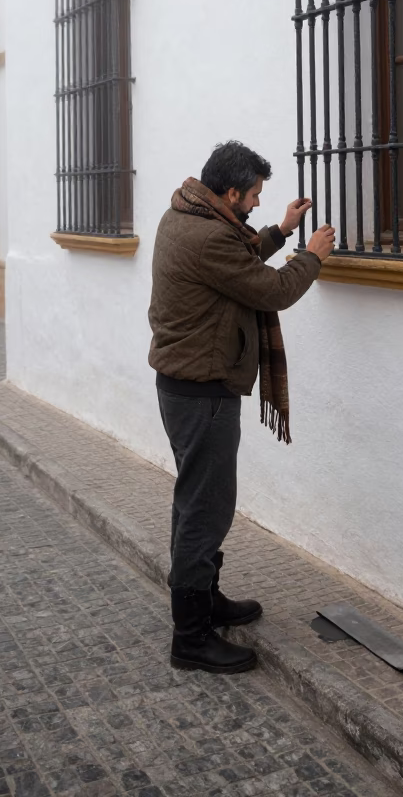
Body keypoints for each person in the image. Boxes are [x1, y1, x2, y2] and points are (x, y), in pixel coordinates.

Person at [148, 140, 336, 674]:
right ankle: (191, 638)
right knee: (205, 511)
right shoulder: (210, 236)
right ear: (230, 192)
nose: (254, 204)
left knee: (195, 504)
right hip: (203, 391)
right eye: (253, 196)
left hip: (185, 386)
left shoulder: (187, 213)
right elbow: (271, 290)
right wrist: (311, 256)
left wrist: (280, 230)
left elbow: (238, 258)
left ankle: (204, 600)